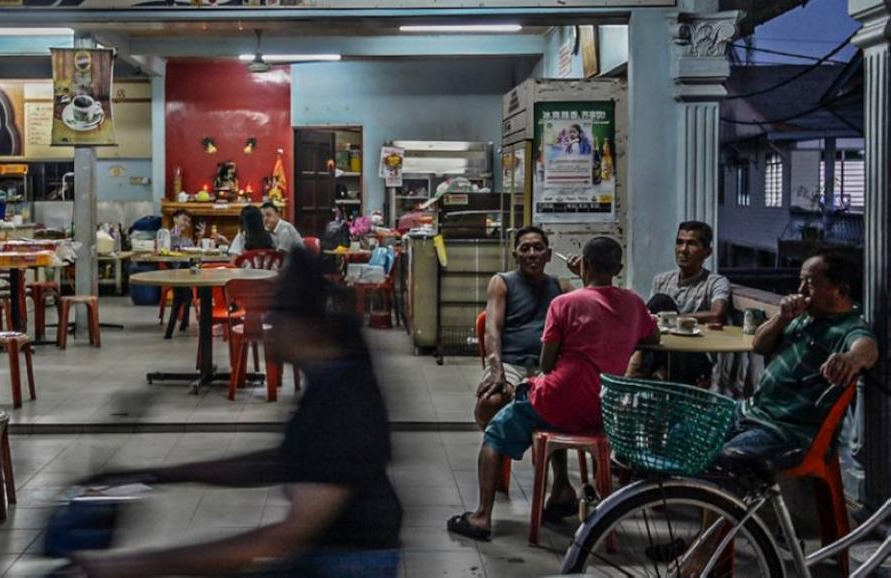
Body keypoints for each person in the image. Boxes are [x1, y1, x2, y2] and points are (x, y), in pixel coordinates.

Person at [69, 248, 402, 578]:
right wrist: (158, 476)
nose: (264, 324)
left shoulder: (343, 399)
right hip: (325, 555)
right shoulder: (330, 376)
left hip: (347, 563)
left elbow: (282, 538)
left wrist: (134, 566)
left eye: (273, 316)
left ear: (303, 326)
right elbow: (276, 463)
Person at [673, 252, 878, 577]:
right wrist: (782, 317)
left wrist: (851, 361)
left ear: (839, 290)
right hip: (751, 412)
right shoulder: (802, 316)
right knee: (684, 434)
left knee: (725, 461)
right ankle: (707, 540)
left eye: (809, 283)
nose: (800, 289)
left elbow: (866, 347)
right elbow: (758, 345)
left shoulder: (848, 327)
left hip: (788, 432)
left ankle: (705, 553)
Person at [448, 237, 659, 541]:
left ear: (582, 264)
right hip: (601, 408)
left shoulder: (563, 302)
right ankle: (562, 492)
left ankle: (481, 517)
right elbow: (651, 338)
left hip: (560, 398)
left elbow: (547, 365)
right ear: (618, 268)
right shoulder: (634, 303)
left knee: (497, 433)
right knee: (548, 408)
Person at [474, 225, 563, 431]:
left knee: (571, 403)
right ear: (516, 255)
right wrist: (497, 370)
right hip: (510, 363)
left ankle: (553, 457)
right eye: (525, 249)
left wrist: (584, 274)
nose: (532, 254)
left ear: (548, 255)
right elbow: (492, 329)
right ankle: (495, 447)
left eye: (538, 248)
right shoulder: (502, 283)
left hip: (547, 366)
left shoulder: (561, 287)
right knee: (491, 401)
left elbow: (584, 314)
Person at [632, 221, 731, 383]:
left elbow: (716, 315)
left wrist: (672, 319)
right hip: (664, 350)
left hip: (695, 352)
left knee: (660, 302)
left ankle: (642, 368)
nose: (683, 250)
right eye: (680, 242)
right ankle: (654, 369)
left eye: (691, 244)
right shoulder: (661, 280)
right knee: (655, 305)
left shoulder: (715, 282)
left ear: (707, 252)